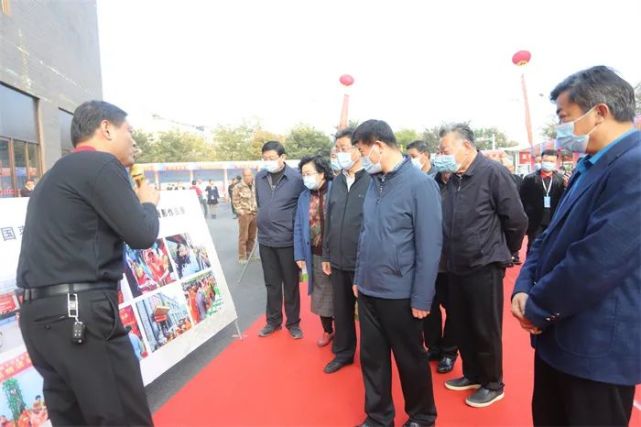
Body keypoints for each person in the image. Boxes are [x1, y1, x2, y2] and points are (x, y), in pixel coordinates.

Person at [512, 66, 641, 426]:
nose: (560, 129)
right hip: (559, 340)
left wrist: (537, 306)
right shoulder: (590, 165)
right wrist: (523, 286)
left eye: (564, 117)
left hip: (595, 352)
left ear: (599, 113)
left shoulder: (634, 166)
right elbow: (548, 235)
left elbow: (597, 261)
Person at [16, 100, 158, 425]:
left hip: (39, 318)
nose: (133, 140)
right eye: (129, 131)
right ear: (106, 128)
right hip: (80, 314)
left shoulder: (53, 176)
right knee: (122, 417)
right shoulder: (102, 165)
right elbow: (141, 233)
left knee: (73, 418)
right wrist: (148, 203)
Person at [353, 120, 441, 427]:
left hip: (400, 292)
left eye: (362, 150)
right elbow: (366, 234)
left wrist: (422, 297)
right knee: (372, 358)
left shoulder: (420, 185)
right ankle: (378, 416)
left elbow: (430, 246)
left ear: (378, 146)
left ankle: (422, 416)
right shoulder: (373, 182)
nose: (361, 158)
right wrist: (358, 277)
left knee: (410, 359)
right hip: (369, 288)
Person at [435, 123, 527, 408]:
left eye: (445, 150)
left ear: (466, 146)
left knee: (485, 327)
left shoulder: (492, 173)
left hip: (484, 264)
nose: (441, 156)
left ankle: (492, 383)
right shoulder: (453, 179)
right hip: (455, 264)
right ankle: (473, 373)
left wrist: (505, 250)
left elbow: (516, 219)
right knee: (462, 324)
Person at [321, 128, 371, 374]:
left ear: (358, 150)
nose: (339, 153)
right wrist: (327, 254)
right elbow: (329, 219)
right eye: (337, 149)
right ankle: (343, 353)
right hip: (338, 260)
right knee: (341, 311)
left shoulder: (372, 179)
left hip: (364, 262)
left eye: (344, 148)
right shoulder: (337, 182)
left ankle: (371, 358)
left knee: (369, 315)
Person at [255, 141, 305, 339]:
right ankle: (273, 321)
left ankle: (293, 323)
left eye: (272, 158)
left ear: (283, 157)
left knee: (290, 284)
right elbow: (260, 203)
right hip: (265, 239)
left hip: (287, 240)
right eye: (265, 158)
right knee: (271, 283)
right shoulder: (260, 177)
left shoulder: (296, 178)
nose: (268, 161)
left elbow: (302, 207)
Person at [294, 155, 334, 347]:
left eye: (309, 173)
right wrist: (299, 254)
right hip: (315, 253)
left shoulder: (337, 190)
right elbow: (298, 226)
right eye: (303, 175)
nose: (305, 178)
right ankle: (328, 330)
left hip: (337, 253)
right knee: (321, 293)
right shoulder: (304, 197)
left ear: (322, 173)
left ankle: (344, 332)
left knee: (340, 294)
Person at [423, 171, 458, 374]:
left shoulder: (464, 183)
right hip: (429, 260)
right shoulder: (428, 183)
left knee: (454, 310)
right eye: (442, 155)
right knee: (428, 307)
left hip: (454, 262)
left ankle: (449, 351)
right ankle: (433, 347)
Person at [519, 149, 565, 253]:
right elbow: (522, 199)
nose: (548, 163)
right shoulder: (530, 179)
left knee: (551, 248)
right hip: (535, 220)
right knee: (533, 247)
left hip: (553, 219)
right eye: (546, 160)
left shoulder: (561, 179)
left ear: (556, 162)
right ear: (541, 161)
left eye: (551, 161)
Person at [232, 169, 258, 264]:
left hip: (254, 213)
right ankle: (242, 256)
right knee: (243, 236)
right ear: (243, 176)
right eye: (246, 175)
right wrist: (240, 212)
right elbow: (235, 200)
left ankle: (250, 254)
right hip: (245, 214)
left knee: (252, 236)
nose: (248, 177)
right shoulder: (238, 187)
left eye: (249, 175)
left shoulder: (254, 186)